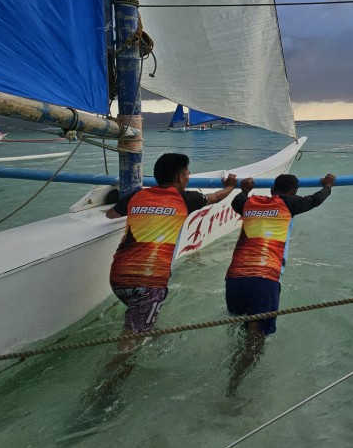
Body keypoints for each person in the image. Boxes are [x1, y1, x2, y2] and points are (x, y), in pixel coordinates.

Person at [90, 153, 237, 407]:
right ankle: (103, 395)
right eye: (188, 173)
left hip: (118, 277)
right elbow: (215, 198)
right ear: (181, 177)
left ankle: (149, 332)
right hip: (149, 283)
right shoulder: (185, 198)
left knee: (140, 318)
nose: (189, 176)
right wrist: (232, 186)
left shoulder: (137, 196)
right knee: (131, 340)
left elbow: (111, 215)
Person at [224, 171, 336, 395]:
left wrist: (244, 188)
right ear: (293, 192)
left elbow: (237, 201)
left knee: (241, 325)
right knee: (256, 337)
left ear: (272, 190)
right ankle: (234, 386)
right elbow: (316, 199)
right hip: (264, 279)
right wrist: (328, 186)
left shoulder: (249, 203)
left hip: (234, 278)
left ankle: (234, 367)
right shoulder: (289, 203)